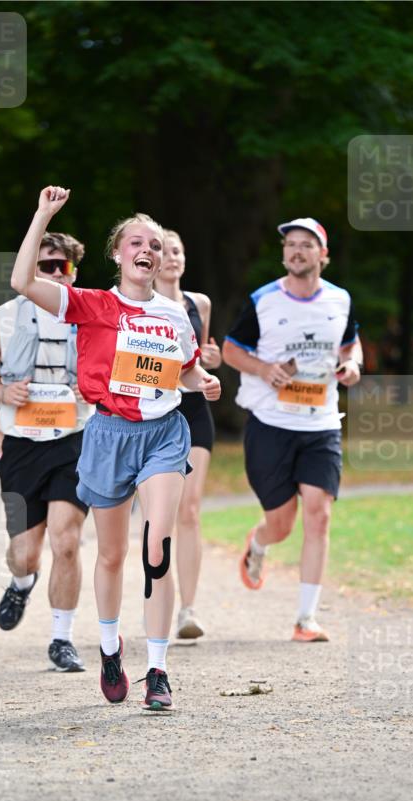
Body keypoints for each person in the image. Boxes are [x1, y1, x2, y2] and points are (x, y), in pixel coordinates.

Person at [10, 186, 220, 709]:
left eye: (154, 242)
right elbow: (21, 281)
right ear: (119, 254)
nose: (145, 249)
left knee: (157, 548)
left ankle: (158, 669)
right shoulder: (93, 305)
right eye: (135, 242)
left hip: (165, 433)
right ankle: (109, 648)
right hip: (108, 435)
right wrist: (42, 216)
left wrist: (204, 382)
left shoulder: (175, 315)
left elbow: (187, 371)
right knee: (110, 554)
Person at [0, 232, 92, 674]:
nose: (54, 274)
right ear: (31, 270)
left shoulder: (91, 316)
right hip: (21, 446)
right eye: (46, 265)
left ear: (73, 272)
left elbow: (118, 374)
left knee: (66, 541)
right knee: (25, 554)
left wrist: (89, 387)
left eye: (63, 267)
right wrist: (0, 390)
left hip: (75, 441)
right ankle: (22, 582)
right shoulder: (6, 318)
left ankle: (62, 639)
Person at [223, 217, 362, 642]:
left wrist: (352, 364)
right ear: (284, 255)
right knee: (282, 524)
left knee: (319, 515)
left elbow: (349, 342)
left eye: (306, 245)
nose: (296, 251)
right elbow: (230, 350)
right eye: (290, 245)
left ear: (323, 255)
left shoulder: (340, 300)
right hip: (271, 423)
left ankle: (306, 620)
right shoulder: (264, 300)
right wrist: (264, 369)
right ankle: (260, 541)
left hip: (321, 423)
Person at [154, 229, 221, 639]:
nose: (174, 257)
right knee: (161, 516)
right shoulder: (142, 305)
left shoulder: (199, 303)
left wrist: (210, 360)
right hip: (156, 413)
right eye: (166, 251)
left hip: (194, 412)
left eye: (179, 250)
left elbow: (200, 355)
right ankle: (157, 600)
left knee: (190, 510)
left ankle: (188, 610)